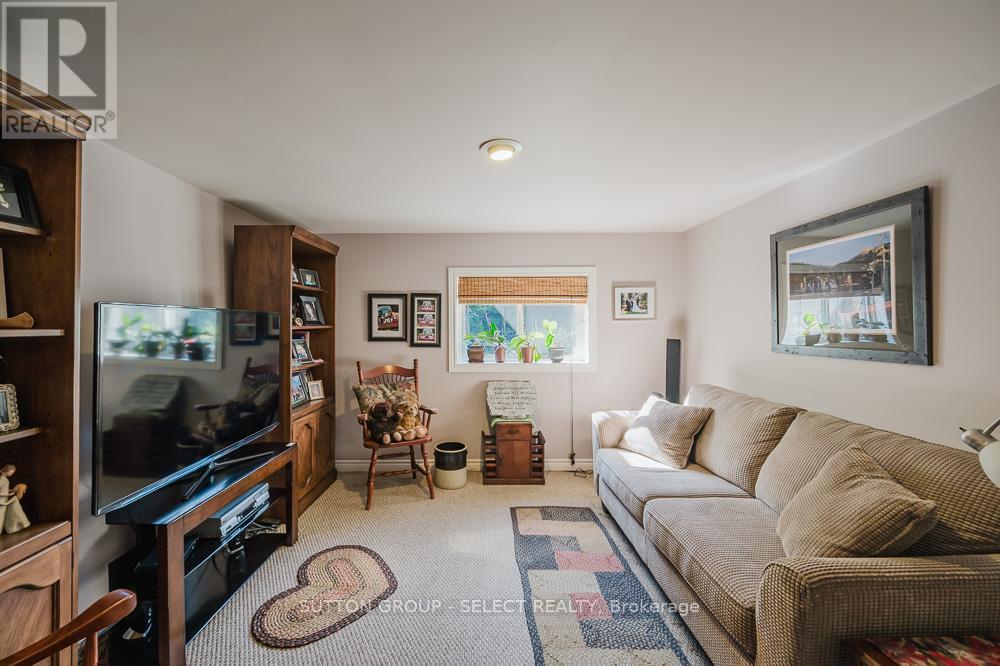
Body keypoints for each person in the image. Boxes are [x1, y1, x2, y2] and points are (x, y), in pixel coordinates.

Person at [0, 464, 29, 534]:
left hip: (4, 500)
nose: (12, 474)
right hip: (1, 501)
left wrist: (10, 491)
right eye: (11, 472)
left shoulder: (5, 479)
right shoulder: (1, 479)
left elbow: (3, 489)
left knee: (2, 517)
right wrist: (8, 494)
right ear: (7, 471)